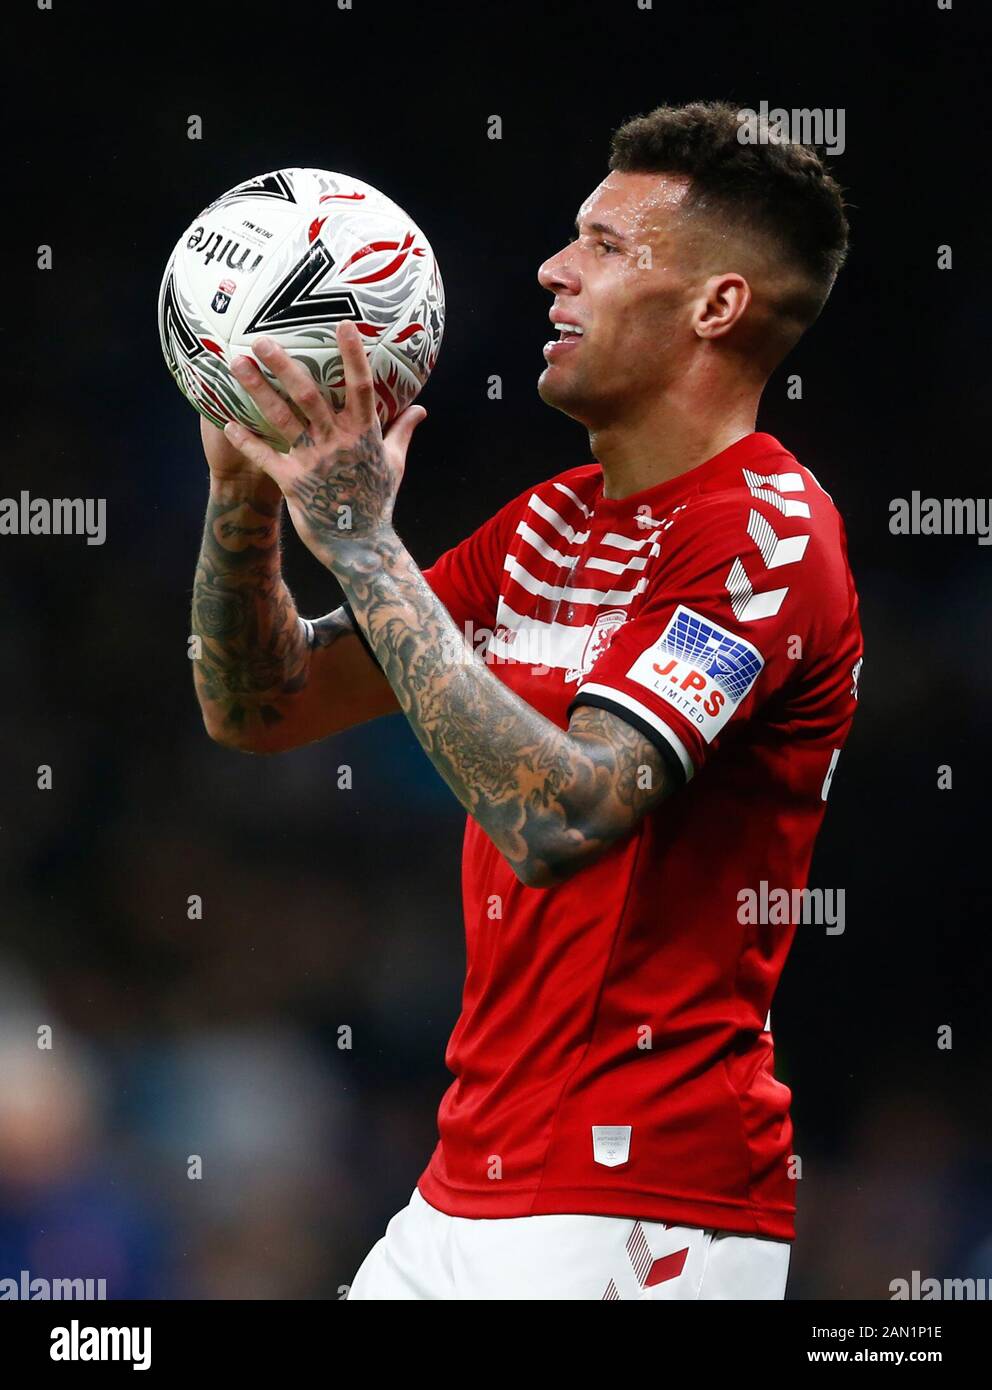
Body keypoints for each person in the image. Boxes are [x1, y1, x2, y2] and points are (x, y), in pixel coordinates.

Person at [190, 101, 863, 1300]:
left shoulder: (765, 535)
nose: (553, 268)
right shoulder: (547, 522)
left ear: (715, 307)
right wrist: (246, 485)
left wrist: (359, 541)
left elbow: (561, 815)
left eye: (605, 246)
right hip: (464, 1184)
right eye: (569, 236)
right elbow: (261, 705)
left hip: (639, 1206)